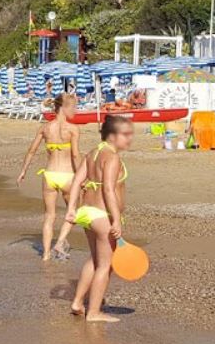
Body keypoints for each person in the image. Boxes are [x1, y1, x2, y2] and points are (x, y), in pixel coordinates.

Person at [65, 114, 135, 324]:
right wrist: (115, 219)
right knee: (106, 265)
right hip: (102, 215)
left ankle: (78, 302)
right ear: (112, 136)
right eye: (125, 135)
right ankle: (94, 312)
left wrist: (71, 210)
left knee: (95, 260)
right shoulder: (112, 158)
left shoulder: (93, 153)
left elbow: (77, 181)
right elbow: (108, 190)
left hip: (87, 212)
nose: (129, 139)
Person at [17, 91, 82, 261]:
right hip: (68, 175)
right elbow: (75, 156)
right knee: (74, 212)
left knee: (49, 216)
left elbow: (31, 151)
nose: (76, 111)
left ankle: (45, 255)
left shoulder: (45, 128)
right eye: (74, 107)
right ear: (65, 107)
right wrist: (83, 177)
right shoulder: (73, 129)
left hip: (50, 175)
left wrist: (23, 170)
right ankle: (60, 242)